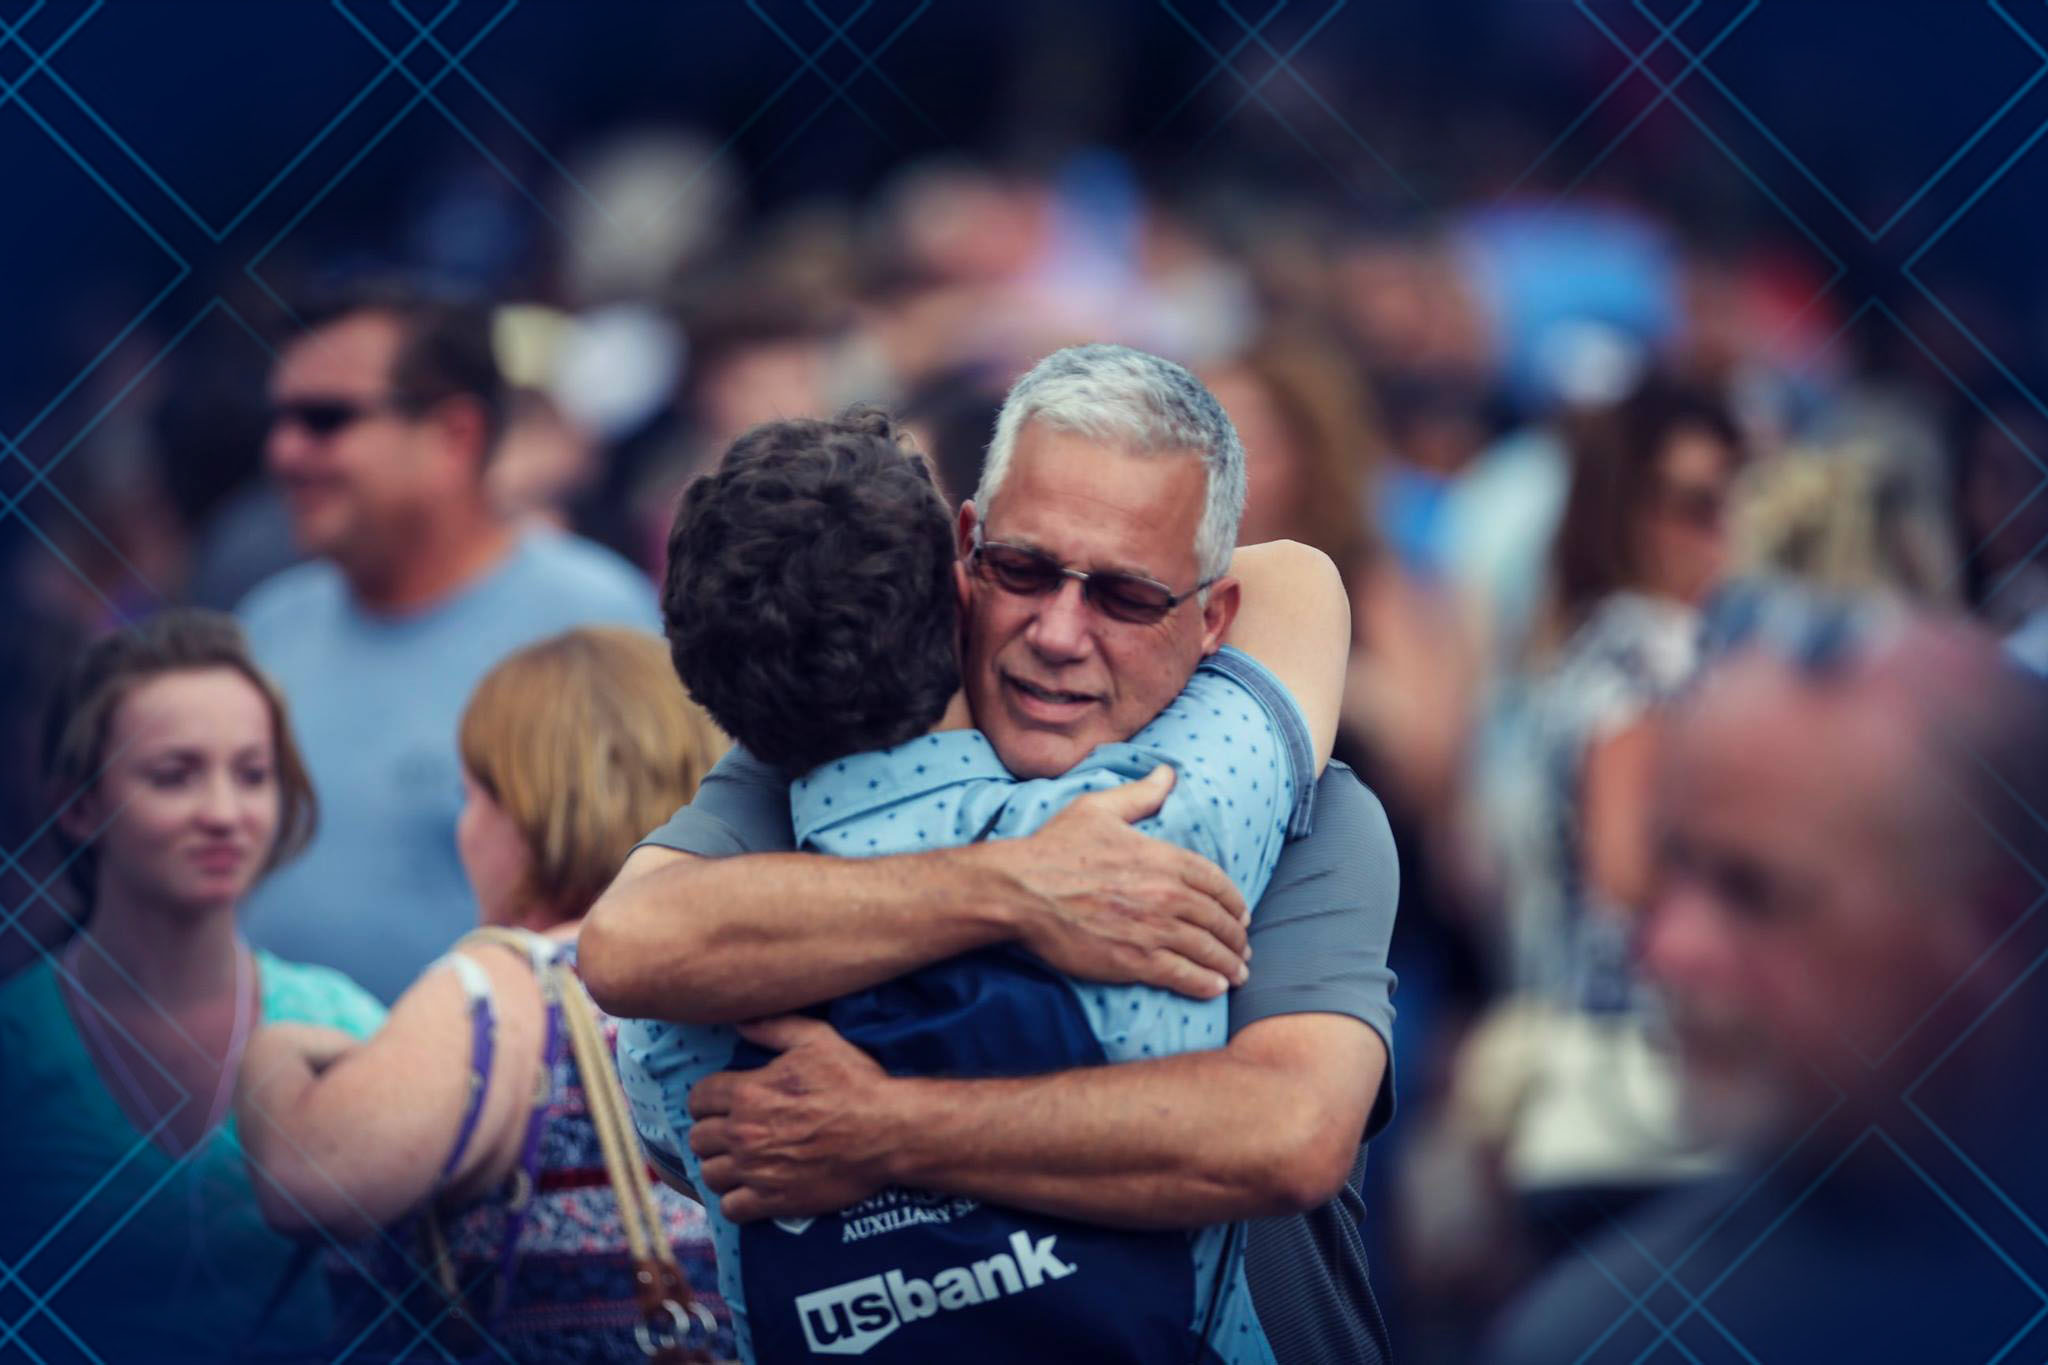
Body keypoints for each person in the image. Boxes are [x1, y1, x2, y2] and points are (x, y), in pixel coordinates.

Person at [582, 343, 1399, 1364]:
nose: (1059, 633)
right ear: (958, 563)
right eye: (1022, 571)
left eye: (1125, 597)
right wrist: (1013, 886)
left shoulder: (1305, 808)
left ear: (1210, 617)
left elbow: (1286, 1132)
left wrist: (883, 1129)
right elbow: (622, 947)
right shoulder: (797, 758)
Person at [1488, 592, 2048, 1362]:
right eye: (1670, 869)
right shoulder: (1611, 1336)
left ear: (1994, 927)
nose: (1666, 947)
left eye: (1754, 891)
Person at [235, 627, 736, 1363]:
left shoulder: (505, 991)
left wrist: (274, 1051)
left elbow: (308, 1178)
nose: (464, 830)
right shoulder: (743, 970)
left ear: (523, 811)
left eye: (471, 796)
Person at [236, 279, 660, 1003]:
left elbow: (653, 912)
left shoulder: (594, 623)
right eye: (277, 418)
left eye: (325, 419)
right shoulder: (268, 623)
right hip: (252, 1102)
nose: (285, 451)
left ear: (453, 436)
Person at [0, 610, 386, 1364]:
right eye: (173, 775)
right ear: (79, 803)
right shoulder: (16, 1045)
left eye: (252, 774)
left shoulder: (350, 1025)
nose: (223, 813)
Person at [1455, 377, 1746, 1266]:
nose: (1720, 529)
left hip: (1573, 1082)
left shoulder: (1574, 651)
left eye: (1735, 496)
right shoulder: (1650, 653)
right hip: (1645, 1095)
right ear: (1626, 509)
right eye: (1693, 502)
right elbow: (1627, 876)